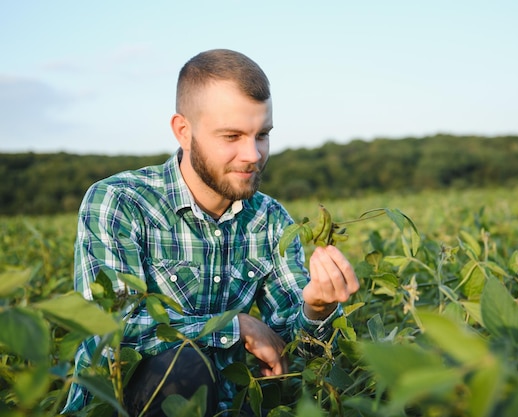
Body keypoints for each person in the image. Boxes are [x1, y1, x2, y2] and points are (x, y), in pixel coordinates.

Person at [61, 48, 359, 416]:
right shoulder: (120, 202)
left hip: (228, 404)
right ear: (184, 132)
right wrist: (235, 326)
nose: (252, 154)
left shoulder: (269, 219)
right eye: (232, 136)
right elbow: (107, 334)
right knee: (183, 369)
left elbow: (297, 354)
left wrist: (317, 308)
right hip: (124, 405)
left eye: (261, 135)